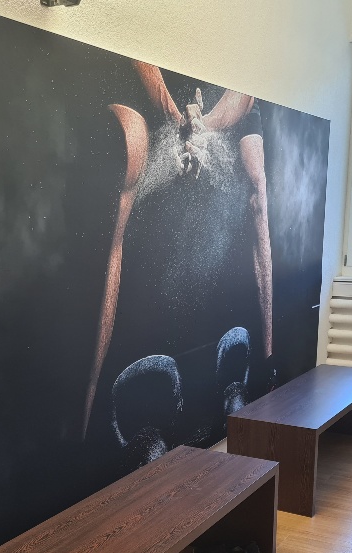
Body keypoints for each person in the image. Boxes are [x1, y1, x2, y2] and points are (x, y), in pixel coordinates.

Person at [82, 62, 277, 464]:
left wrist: (205, 126)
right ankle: (85, 419)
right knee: (130, 153)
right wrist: (176, 118)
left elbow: (246, 90)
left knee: (258, 186)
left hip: (213, 108)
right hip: (158, 90)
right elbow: (140, 61)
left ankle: (267, 367)